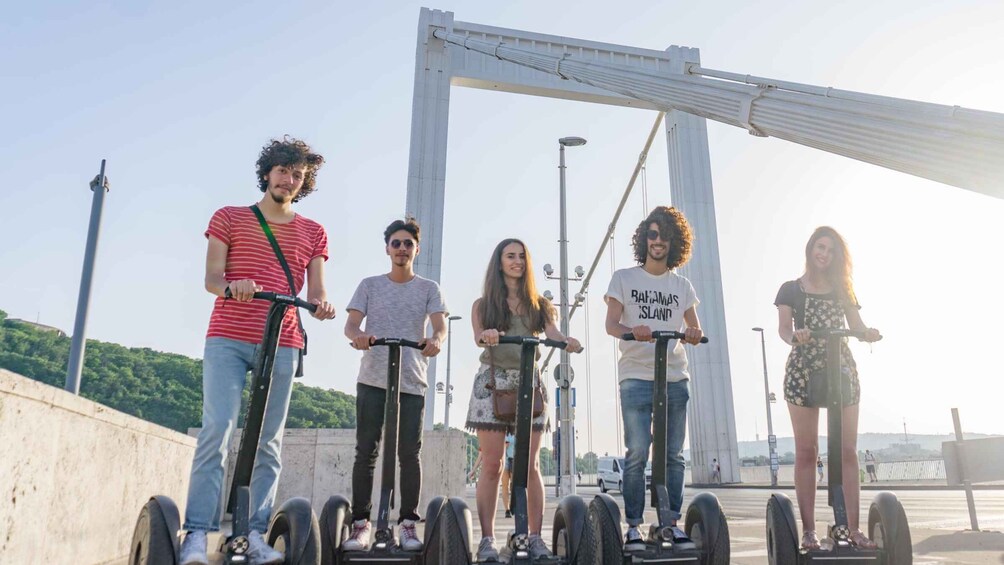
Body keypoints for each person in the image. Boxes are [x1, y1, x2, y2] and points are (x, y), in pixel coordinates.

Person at [179, 137, 337, 565]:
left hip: (283, 339)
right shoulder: (229, 217)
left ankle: (250, 535)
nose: (289, 179)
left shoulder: (313, 231)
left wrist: (322, 305)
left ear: (304, 184)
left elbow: (318, 289)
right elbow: (212, 278)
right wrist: (234, 285)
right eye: (283, 171)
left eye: (298, 175)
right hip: (228, 335)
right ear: (267, 173)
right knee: (218, 430)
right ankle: (197, 532)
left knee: (269, 440)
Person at [465, 238, 583, 561]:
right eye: (510, 256)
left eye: (521, 256)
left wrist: (566, 341)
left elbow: (553, 333)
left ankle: (533, 537)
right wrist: (487, 335)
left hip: (528, 382)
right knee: (493, 464)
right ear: (499, 262)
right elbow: (478, 336)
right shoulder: (483, 304)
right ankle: (487, 539)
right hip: (492, 383)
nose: (517, 261)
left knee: (529, 466)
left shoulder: (538, 306)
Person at [341, 218, 448, 552]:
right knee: (366, 450)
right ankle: (361, 523)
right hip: (373, 377)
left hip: (411, 380)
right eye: (396, 243)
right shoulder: (370, 285)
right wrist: (358, 336)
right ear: (387, 248)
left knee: (409, 454)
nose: (402, 249)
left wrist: (436, 341)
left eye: (408, 244)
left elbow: (440, 327)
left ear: (417, 248)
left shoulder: (429, 288)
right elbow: (351, 324)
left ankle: (407, 524)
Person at [775, 226, 881, 551]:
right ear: (810, 249)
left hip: (841, 369)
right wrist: (797, 336)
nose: (824, 254)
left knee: (847, 451)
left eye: (831, 250)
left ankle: (852, 528)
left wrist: (867, 333)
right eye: (820, 247)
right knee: (808, 452)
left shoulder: (843, 289)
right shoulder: (790, 289)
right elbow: (784, 330)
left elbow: (856, 325)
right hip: (804, 370)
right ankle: (808, 531)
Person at [604, 206, 704, 551]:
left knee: (674, 454)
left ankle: (669, 522)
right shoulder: (623, 278)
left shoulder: (682, 285)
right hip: (635, 376)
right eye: (652, 233)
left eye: (664, 235)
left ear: (674, 242)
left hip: (675, 376)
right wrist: (635, 330)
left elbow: (695, 325)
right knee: (637, 452)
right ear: (643, 238)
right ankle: (633, 525)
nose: (658, 241)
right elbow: (611, 325)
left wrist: (692, 333)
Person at [501, 433, 515, 518]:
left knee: (513, 486)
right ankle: (507, 509)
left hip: (515, 459)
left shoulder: (516, 431)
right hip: (505, 459)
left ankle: (513, 506)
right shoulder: (504, 432)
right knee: (504, 485)